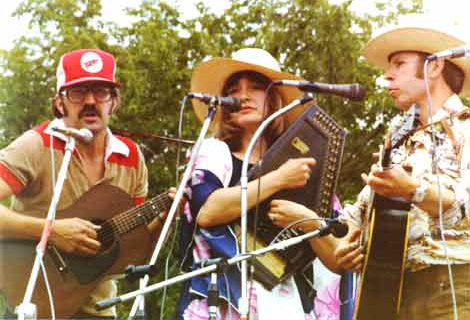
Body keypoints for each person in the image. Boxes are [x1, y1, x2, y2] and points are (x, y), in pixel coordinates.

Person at [0, 49, 168, 319]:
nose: (90, 101)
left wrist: (162, 219)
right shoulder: (36, 144)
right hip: (34, 305)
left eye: (101, 91)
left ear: (114, 102)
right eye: (77, 92)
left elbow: (134, 247)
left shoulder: (132, 157)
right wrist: (51, 231)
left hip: (100, 311)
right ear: (59, 102)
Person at [175, 48, 341, 320]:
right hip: (223, 300)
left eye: (256, 87)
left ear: (275, 100)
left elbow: (337, 257)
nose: (243, 96)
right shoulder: (216, 152)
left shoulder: (306, 165)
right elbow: (207, 211)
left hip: (288, 304)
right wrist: (279, 179)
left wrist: (308, 221)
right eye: (234, 89)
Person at [334, 26, 470, 319]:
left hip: (453, 287)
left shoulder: (466, 129)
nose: (387, 76)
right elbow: (358, 214)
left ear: (434, 66)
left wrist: (413, 190)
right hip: (390, 290)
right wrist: (347, 242)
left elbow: (466, 205)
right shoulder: (396, 139)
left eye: (399, 64)